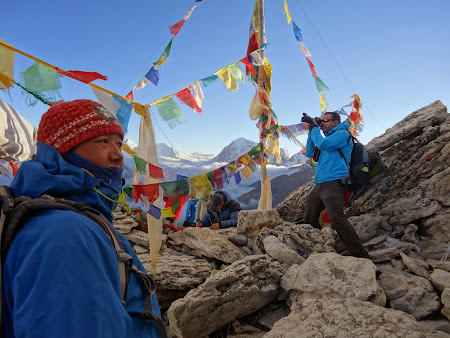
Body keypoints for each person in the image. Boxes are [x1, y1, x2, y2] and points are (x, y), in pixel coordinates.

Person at [2, 100, 163, 337]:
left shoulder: (75, 218)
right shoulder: (66, 234)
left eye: (119, 143)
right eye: (103, 142)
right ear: (62, 150)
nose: (118, 155)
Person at [303, 111, 369, 258]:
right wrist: (311, 131)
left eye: (326, 120)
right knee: (309, 217)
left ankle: (361, 255)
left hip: (334, 183)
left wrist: (314, 129)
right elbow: (309, 152)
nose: (323, 123)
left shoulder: (343, 135)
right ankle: (313, 248)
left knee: (337, 219)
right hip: (319, 184)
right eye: (322, 121)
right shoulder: (326, 137)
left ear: (336, 122)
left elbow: (324, 144)